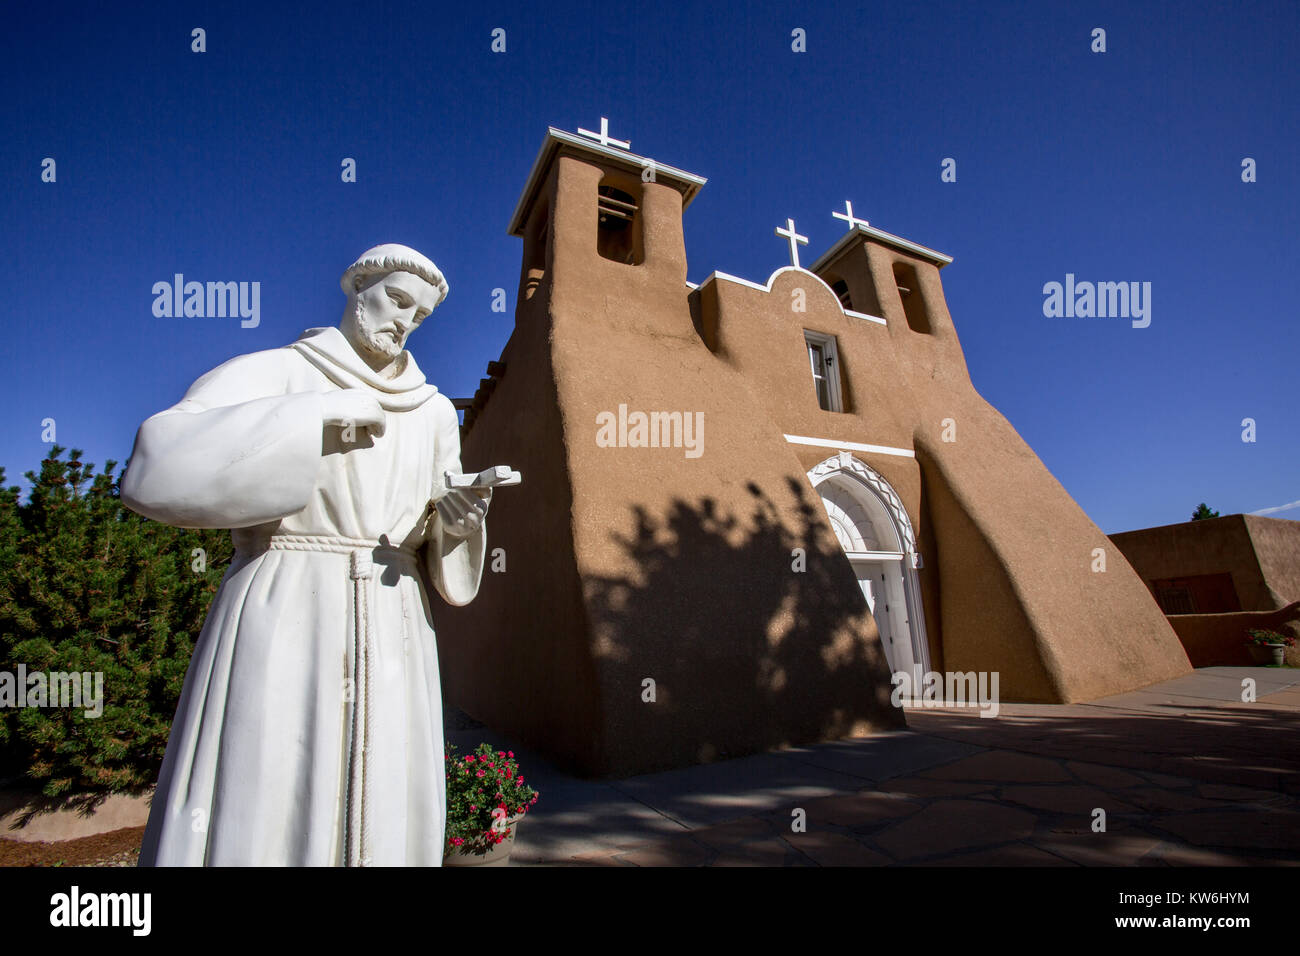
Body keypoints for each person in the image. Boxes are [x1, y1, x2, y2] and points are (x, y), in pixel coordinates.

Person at [122, 244, 490, 866]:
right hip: (287, 598)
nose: (404, 321)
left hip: (395, 612)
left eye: (420, 315)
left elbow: (434, 535)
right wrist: (315, 415)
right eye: (397, 300)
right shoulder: (279, 372)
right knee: (266, 780)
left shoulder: (432, 412)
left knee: (388, 793)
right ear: (358, 289)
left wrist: (454, 522)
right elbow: (155, 466)